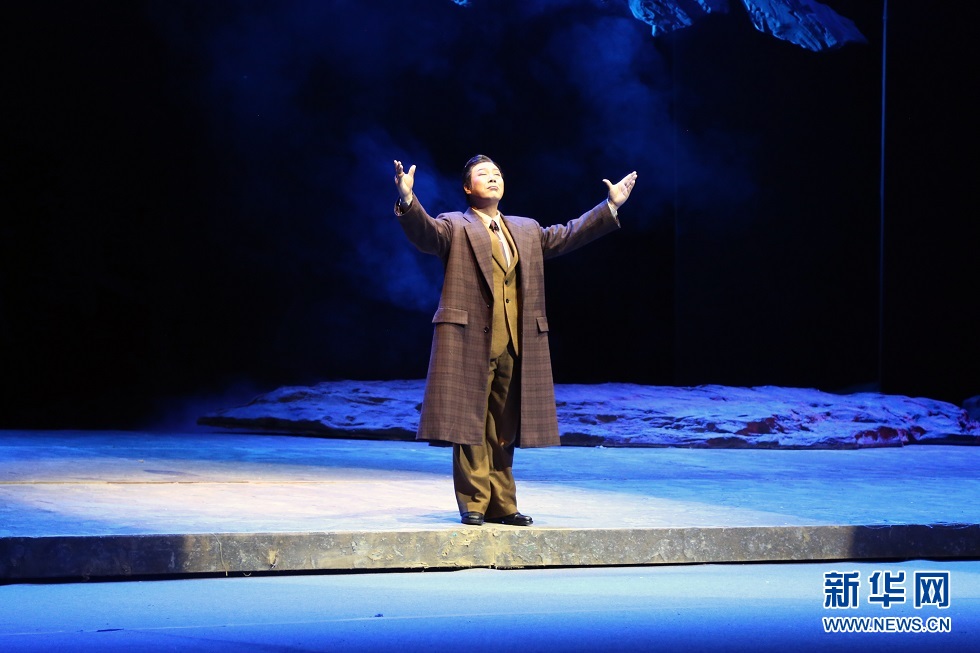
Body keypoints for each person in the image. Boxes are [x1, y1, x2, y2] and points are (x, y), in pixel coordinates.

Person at [393, 155, 637, 526]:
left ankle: (503, 505)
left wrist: (610, 206)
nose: (492, 178)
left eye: (497, 173)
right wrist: (408, 200)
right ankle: (475, 503)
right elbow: (425, 233)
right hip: (469, 339)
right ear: (467, 187)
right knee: (470, 424)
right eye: (483, 174)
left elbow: (568, 234)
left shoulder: (525, 229)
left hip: (515, 341)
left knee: (503, 428)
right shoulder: (455, 224)